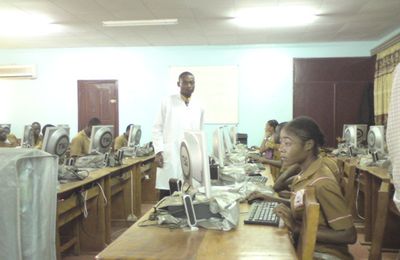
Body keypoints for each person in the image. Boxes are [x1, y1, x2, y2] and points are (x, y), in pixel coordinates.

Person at [248, 116, 356, 259]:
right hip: (307, 245)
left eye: (287, 143)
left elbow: (349, 235)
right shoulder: (304, 173)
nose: (281, 149)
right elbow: (303, 205)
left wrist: (298, 228)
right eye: (281, 143)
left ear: (308, 145)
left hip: (324, 254)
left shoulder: (322, 182)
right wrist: (268, 198)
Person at [152, 71, 204, 200]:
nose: (188, 85)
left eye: (191, 82)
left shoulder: (199, 106)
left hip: (191, 155)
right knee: (167, 194)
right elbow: (156, 128)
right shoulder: (167, 102)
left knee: (189, 193)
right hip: (170, 154)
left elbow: (200, 132)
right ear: (178, 84)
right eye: (185, 82)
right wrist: (158, 151)